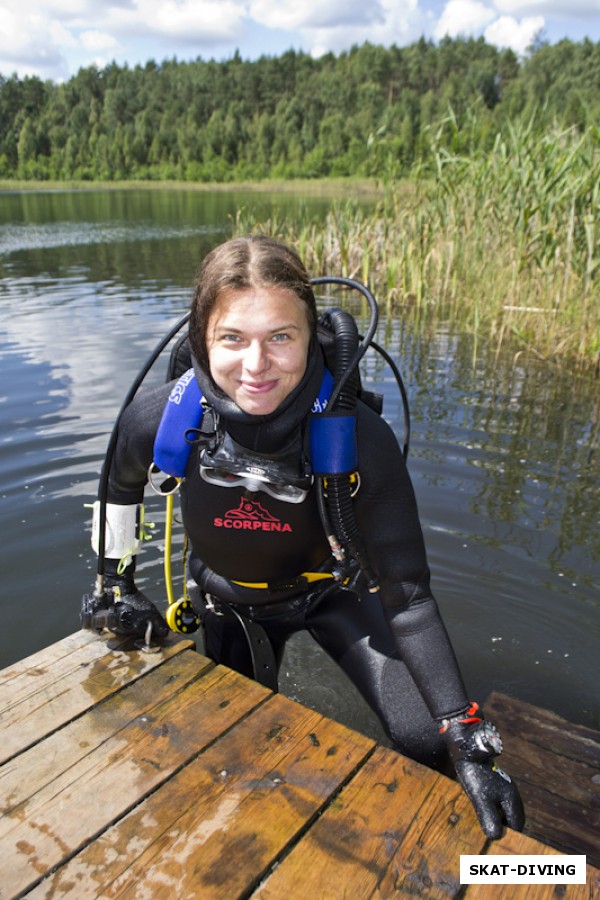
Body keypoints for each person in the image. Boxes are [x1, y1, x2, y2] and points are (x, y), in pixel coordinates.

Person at [82, 235, 524, 840]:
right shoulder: (163, 417)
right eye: (232, 338)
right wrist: (116, 581)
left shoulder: (359, 439)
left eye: (280, 337)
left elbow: (410, 595)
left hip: (332, 591)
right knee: (230, 752)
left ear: (311, 335)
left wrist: (464, 732)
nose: (257, 366)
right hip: (226, 601)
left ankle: (488, 871)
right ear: (200, 341)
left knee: (427, 741)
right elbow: (117, 485)